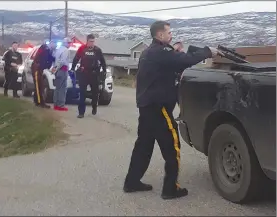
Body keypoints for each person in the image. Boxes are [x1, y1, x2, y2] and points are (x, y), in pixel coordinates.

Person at [123, 21, 221, 200]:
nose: (171, 35)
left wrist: (175, 51)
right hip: (159, 108)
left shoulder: (149, 52)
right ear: (159, 35)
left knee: (143, 146)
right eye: (168, 32)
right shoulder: (161, 53)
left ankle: (132, 182)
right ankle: (170, 189)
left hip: (146, 108)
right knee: (172, 146)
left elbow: (175, 63)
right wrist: (208, 51)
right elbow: (186, 61)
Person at [71, 33, 107, 118]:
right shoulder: (82, 49)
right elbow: (76, 58)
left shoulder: (97, 50)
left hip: (94, 74)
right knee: (82, 93)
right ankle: (81, 112)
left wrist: (104, 70)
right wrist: (72, 68)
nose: (92, 43)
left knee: (95, 93)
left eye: (93, 41)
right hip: (84, 73)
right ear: (87, 41)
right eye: (90, 41)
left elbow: (102, 61)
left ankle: (94, 106)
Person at [31, 40, 56, 108]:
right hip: (36, 68)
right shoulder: (45, 48)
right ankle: (40, 102)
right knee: (38, 86)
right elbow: (44, 58)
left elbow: (51, 59)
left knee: (40, 86)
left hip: (40, 69)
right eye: (54, 45)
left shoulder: (49, 51)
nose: (55, 47)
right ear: (51, 44)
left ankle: (37, 101)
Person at [52, 37, 72, 111]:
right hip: (63, 70)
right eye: (69, 43)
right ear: (65, 43)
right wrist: (57, 68)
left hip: (58, 71)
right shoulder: (66, 50)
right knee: (62, 89)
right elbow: (62, 61)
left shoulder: (58, 49)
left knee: (57, 88)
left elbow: (55, 60)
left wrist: (55, 69)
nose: (70, 44)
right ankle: (60, 105)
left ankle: (56, 104)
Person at [172, 41, 185, 122]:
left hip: (182, 82)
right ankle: (181, 115)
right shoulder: (175, 56)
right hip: (176, 81)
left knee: (181, 100)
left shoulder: (183, 56)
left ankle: (183, 115)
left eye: (176, 49)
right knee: (176, 99)